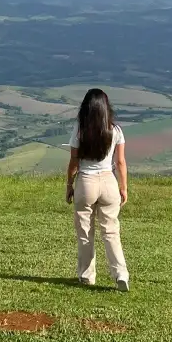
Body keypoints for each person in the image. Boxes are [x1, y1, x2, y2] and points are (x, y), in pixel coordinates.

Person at [65, 88, 130, 292]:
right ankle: (121, 274)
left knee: (85, 232)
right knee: (111, 231)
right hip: (109, 182)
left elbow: (74, 161)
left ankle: (86, 276)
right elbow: (120, 162)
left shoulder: (80, 129)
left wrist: (69, 184)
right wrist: (123, 187)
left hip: (86, 181)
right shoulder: (115, 130)